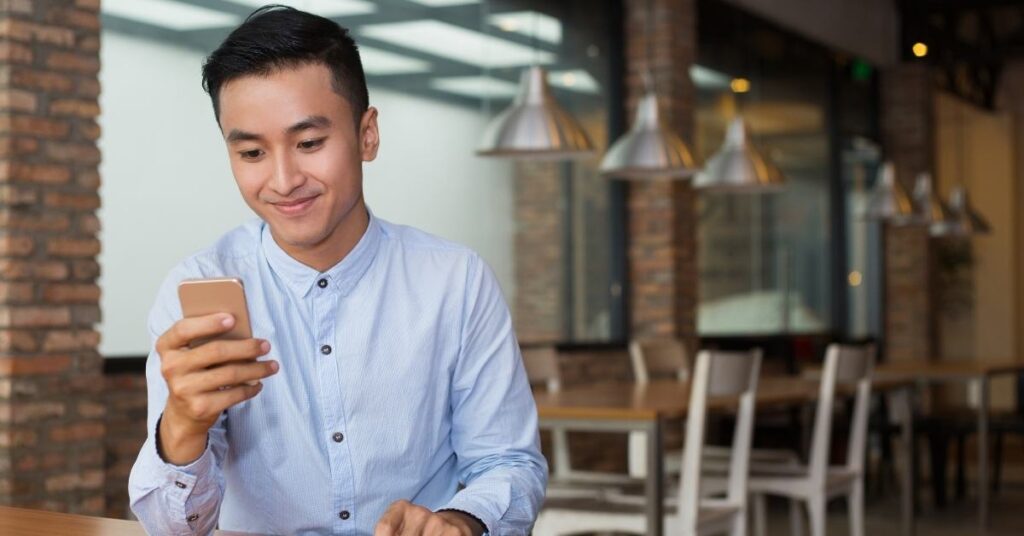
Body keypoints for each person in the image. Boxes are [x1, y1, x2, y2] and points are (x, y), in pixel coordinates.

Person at [127, 5, 547, 535]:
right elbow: (173, 530)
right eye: (252, 151)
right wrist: (182, 429)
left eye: (308, 144)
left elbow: (509, 462)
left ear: (366, 135)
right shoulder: (193, 290)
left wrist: (459, 521)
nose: (283, 180)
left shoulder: (455, 281)